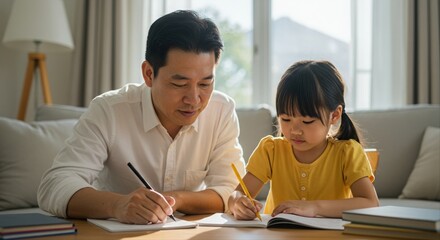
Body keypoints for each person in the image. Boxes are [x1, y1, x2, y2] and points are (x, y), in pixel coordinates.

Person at [38, 10, 245, 224]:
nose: (194, 99)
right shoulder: (109, 110)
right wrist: (117, 205)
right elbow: (54, 185)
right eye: (179, 84)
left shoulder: (222, 111)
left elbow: (231, 190)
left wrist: (177, 199)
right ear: (148, 74)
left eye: (205, 83)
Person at [228, 60, 379, 220]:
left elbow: (370, 203)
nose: (294, 131)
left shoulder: (347, 152)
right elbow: (236, 194)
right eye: (286, 119)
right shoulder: (271, 150)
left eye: (307, 121)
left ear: (334, 115)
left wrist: (314, 207)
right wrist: (237, 202)